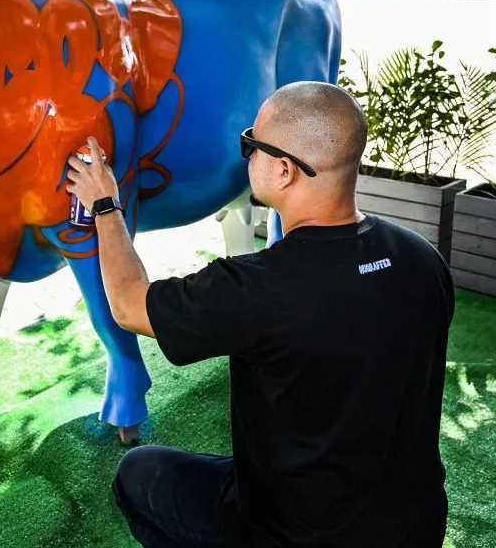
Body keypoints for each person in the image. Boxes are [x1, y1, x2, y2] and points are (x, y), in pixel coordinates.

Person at [65, 81, 454, 548]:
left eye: (251, 144)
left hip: (292, 534)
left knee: (137, 471)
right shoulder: (421, 257)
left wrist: (105, 205)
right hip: (414, 525)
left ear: (285, 170)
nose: (246, 156)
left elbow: (129, 305)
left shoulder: (257, 288)